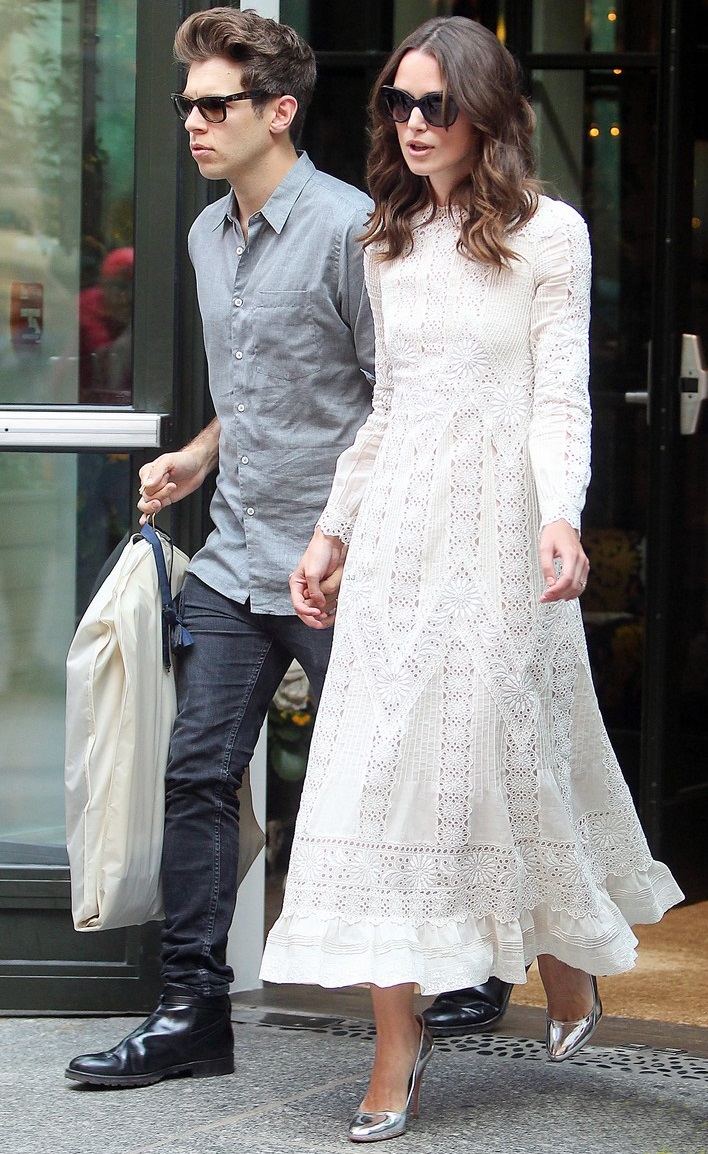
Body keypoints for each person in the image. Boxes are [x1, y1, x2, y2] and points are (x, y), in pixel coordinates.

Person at [260, 16, 684, 1143]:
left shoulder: (553, 237)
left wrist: (560, 514)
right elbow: (386, 408)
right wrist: (332, 530)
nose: (409, 123)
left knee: (509, 747)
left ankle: (562, 954)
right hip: (402, 533)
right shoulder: (385, 242)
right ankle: (397, 1039)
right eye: (397, 103)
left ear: (486, 112)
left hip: (501, 531)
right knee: (380, 767)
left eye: (433, 105)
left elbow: (559, 398)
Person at [66, 7, 375, 1088]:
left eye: (214, 105)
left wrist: (347, 535)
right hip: (240, 558)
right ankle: (192, 1008)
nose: (193, 123)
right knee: (197, 774)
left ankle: (463, 963)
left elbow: (398, 402)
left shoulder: (350, 230)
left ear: (278, 112)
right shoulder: (205, 235)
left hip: (347, 564)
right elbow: (257, 396)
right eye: (185, 105)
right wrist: (200, 452)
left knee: (392, 774)